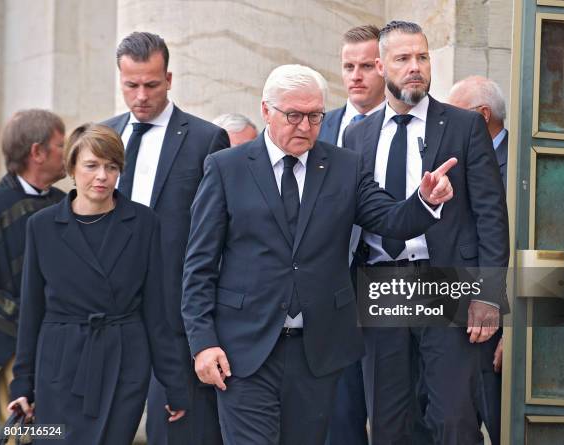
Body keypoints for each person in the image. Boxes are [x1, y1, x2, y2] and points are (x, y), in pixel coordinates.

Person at [181, 63, 457, 445]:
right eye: (293, 115)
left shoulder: (344, 166)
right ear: (266, 111)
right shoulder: (226, 168)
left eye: (314, 116)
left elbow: (390, 219)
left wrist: (425, 201)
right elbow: (199, 265)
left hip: (317, 352)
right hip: (243, 350)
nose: (305, 126)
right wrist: (203, 342)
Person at [343, 21, 509, 445]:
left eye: (422, 56)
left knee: (454, 419)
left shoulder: (463, 126)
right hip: (380, 283)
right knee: (389, 424)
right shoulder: (356, 135)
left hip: (447, 283)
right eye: (403, 59)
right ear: (382, 66)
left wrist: (488, 295)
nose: (415, 67)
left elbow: (491, 214)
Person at [7, 123, 188, 444]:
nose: (102, 176)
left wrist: (174, 383)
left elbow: (158, 310)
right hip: (59, 364)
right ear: (72, 169)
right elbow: (32, 309)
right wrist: (23, 382)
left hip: (123, 363)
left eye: (111, 166)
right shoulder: (42, 226)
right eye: (91, 166)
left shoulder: (144, 223)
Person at [102, 31, 229, 445]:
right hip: (107, 320)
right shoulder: (102, 137)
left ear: (169, 79)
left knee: (175, 434)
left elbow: (211, 239)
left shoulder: (205, 139)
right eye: (131, 85)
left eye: (151, 84)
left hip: (174, 322)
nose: (140, 95)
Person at [317, 24, 386, 445]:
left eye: (366, 66)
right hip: (329, 286)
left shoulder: (409, 128)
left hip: (391, 280)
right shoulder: (320, 126)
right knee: (337, 413)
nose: (356, 76)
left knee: (394, 407)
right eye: (348, 66)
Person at [447, 75, 509, 445]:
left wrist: (517, 334)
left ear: (481, 116)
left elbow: (534, 247)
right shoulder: (455, 162)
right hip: (458, 321)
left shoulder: (525, 163)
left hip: (502, 329)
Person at [0, 109, 66, 428]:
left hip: (64, 343)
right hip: (12, 346)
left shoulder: (66, 203)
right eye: (61, 145)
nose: (68, 153)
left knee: (59, 432)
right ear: (37, 152)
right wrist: (24, 315)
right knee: (22, 433)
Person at [448, 75, 508, 187]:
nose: (449, 122)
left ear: (484, 114)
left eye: (456, 113)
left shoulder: (518, 163)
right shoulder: (453, 158)